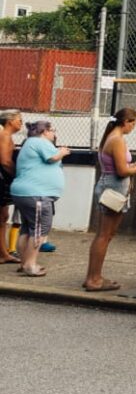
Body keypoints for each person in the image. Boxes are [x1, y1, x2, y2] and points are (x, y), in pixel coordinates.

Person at [83, 108, 136, 291]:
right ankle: (94, 279)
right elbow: (122, 171)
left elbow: (119, 166)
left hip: (110, 185)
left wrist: (133, 165)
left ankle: (94, 276)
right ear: (126, 122)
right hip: (114, 188)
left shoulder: (110, 137)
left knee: (105, 235)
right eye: (133, 123)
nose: (133, 127)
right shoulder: (117, 140)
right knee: (104, 235)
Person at [9, 121, 70, 277]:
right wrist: (62, 152)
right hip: (37, 194)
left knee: (28, 229)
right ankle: (30, 265)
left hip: (26, 193)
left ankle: (25, 263)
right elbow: (51, 158)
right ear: (44, 131)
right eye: (52, 130)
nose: (54, 134)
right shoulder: (40, 141)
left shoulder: (30, 143)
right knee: (39, 229)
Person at [0, 110, 25, 265]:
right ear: (10, 121)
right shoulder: (4, 136)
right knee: (2, 217)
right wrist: (18, 175)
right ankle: (3, 253)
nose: (21, 123)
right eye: (19, 120)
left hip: (3, 179)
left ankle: (3, 253)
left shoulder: (7, 136)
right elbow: (5, 161)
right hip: (2, 179)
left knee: (3, 217)